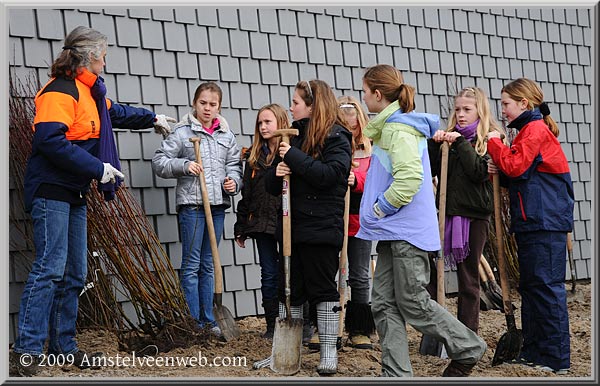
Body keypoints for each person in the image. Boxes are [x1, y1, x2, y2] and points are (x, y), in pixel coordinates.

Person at [10, 26, 175, 377]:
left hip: (74, 191)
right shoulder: (60, 92)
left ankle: (62, 348)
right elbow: (50, 142)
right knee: (50, 268)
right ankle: (26, 350)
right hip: (51, 190)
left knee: (74, 273)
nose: (106, 60)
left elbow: (115, 114)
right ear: (89, 57)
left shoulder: (90, 93)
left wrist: (152, 118)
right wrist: (97, 166)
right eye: (103, 54)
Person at [356, 64, 487, 377]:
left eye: (364, 92)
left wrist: (379, 208)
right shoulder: (393, 127)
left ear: (377, 94)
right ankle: (396, 374)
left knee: (413, 303)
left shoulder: (397, 130)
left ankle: (468, 347)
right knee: (384, 304)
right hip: (394, 232)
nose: (363, 98)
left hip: (406, 232)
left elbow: (410, 179)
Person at [254, 80, 352, 375]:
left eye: (295, 102)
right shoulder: (294, 138)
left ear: (312, 105)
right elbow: (271, 185)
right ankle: (286, 352)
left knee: (322, 290)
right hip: (292, 229)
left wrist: (292, 159)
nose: (291, 107)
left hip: (322, 228)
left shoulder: (337, 137)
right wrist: (278, 171)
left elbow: (329, 175)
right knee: (291, 290)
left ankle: (328, 351)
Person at [486, 78, 573, 375]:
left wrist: (495, 144)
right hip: (532, 220)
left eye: (507, 104)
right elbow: (521, 176)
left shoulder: (534, 130)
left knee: (546, 289)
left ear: (524, 103)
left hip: (545, 222)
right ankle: (534, 350)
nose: (504, 110)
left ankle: (556, 358)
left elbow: (515, 166)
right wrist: (498, 169)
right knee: (533, 288)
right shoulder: (527, 132)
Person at [152, 82, 242, 339]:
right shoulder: (182, 132)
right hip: (192, 205)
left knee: (208, 263)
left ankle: (209, 319)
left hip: (217, 206)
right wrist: (184, 165)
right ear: (195, 103)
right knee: (191, 264)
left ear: (219, 106)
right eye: (203, 103)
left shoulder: (226, 135)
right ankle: (193, 321)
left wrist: (233, 182)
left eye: (213, 104)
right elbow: (159, 162)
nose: (207, 108)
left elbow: (235, 165)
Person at [426, 87, 503, 334]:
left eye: (467, 110)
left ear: (479, 111)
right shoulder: (450, 139)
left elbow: (479, 172)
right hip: (446, 213)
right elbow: (431, 169)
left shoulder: (489, 139)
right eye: (457, 109)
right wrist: (434, 144)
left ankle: (467, 334)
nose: (460, 114)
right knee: (432, 268)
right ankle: (437, 329)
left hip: (474, 216)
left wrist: (460, 143)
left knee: (468, 278)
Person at [234, 104, 289, 339]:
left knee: (290, 272)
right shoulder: (254, 156)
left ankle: (298, 320)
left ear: (280, 123)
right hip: (260, 224)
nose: (263, 126)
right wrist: (241, 227)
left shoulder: (290, 153)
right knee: (268, 272)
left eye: (268, 122)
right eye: (260, 123)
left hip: (285, 223)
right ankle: (272, 324)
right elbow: (246, 194)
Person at [337, 95, 376, 349]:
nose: (350, 127)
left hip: (359, 220)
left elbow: (374, 182)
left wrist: (356, 181)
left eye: (353, 123)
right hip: (333, 220)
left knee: (360, 275)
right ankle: (329, 325)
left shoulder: (369, 149)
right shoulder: (332, 144)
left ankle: (359, 328)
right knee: (332, 275)